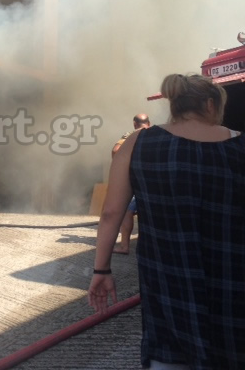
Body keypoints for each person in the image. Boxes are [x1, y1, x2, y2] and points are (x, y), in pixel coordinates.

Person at [89, 74, 245, 369]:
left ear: (175, 104)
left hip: (169, 294)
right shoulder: (240, 146)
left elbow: (111, 213)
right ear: (211, 104)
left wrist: (101, 268)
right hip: (233, 292)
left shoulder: (137, 143)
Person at [111, 113, 150, 255]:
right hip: (152, 180)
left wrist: (120, 168)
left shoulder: (130, 135)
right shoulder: (156, 133)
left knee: (128, 212)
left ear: (135, 124)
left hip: (135, 179)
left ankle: (124, 246)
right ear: (149, 123)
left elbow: (115, 150)